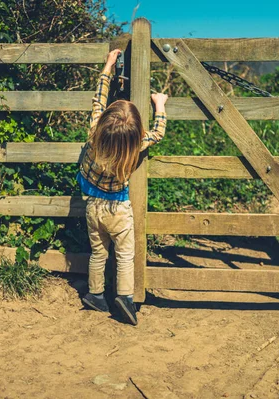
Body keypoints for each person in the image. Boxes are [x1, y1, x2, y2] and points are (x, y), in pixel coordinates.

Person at [77, 49, 168, 325]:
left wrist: (108, 66)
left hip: (93, 205)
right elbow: (159, 133)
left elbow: (98, 98)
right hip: (119, 208)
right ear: (135, 134)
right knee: (125, 254)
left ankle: (95, 294)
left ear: (104, 121)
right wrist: (160, 104)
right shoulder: (135, 145)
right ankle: (125, 298)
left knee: (98, 252)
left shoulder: (94, 132)